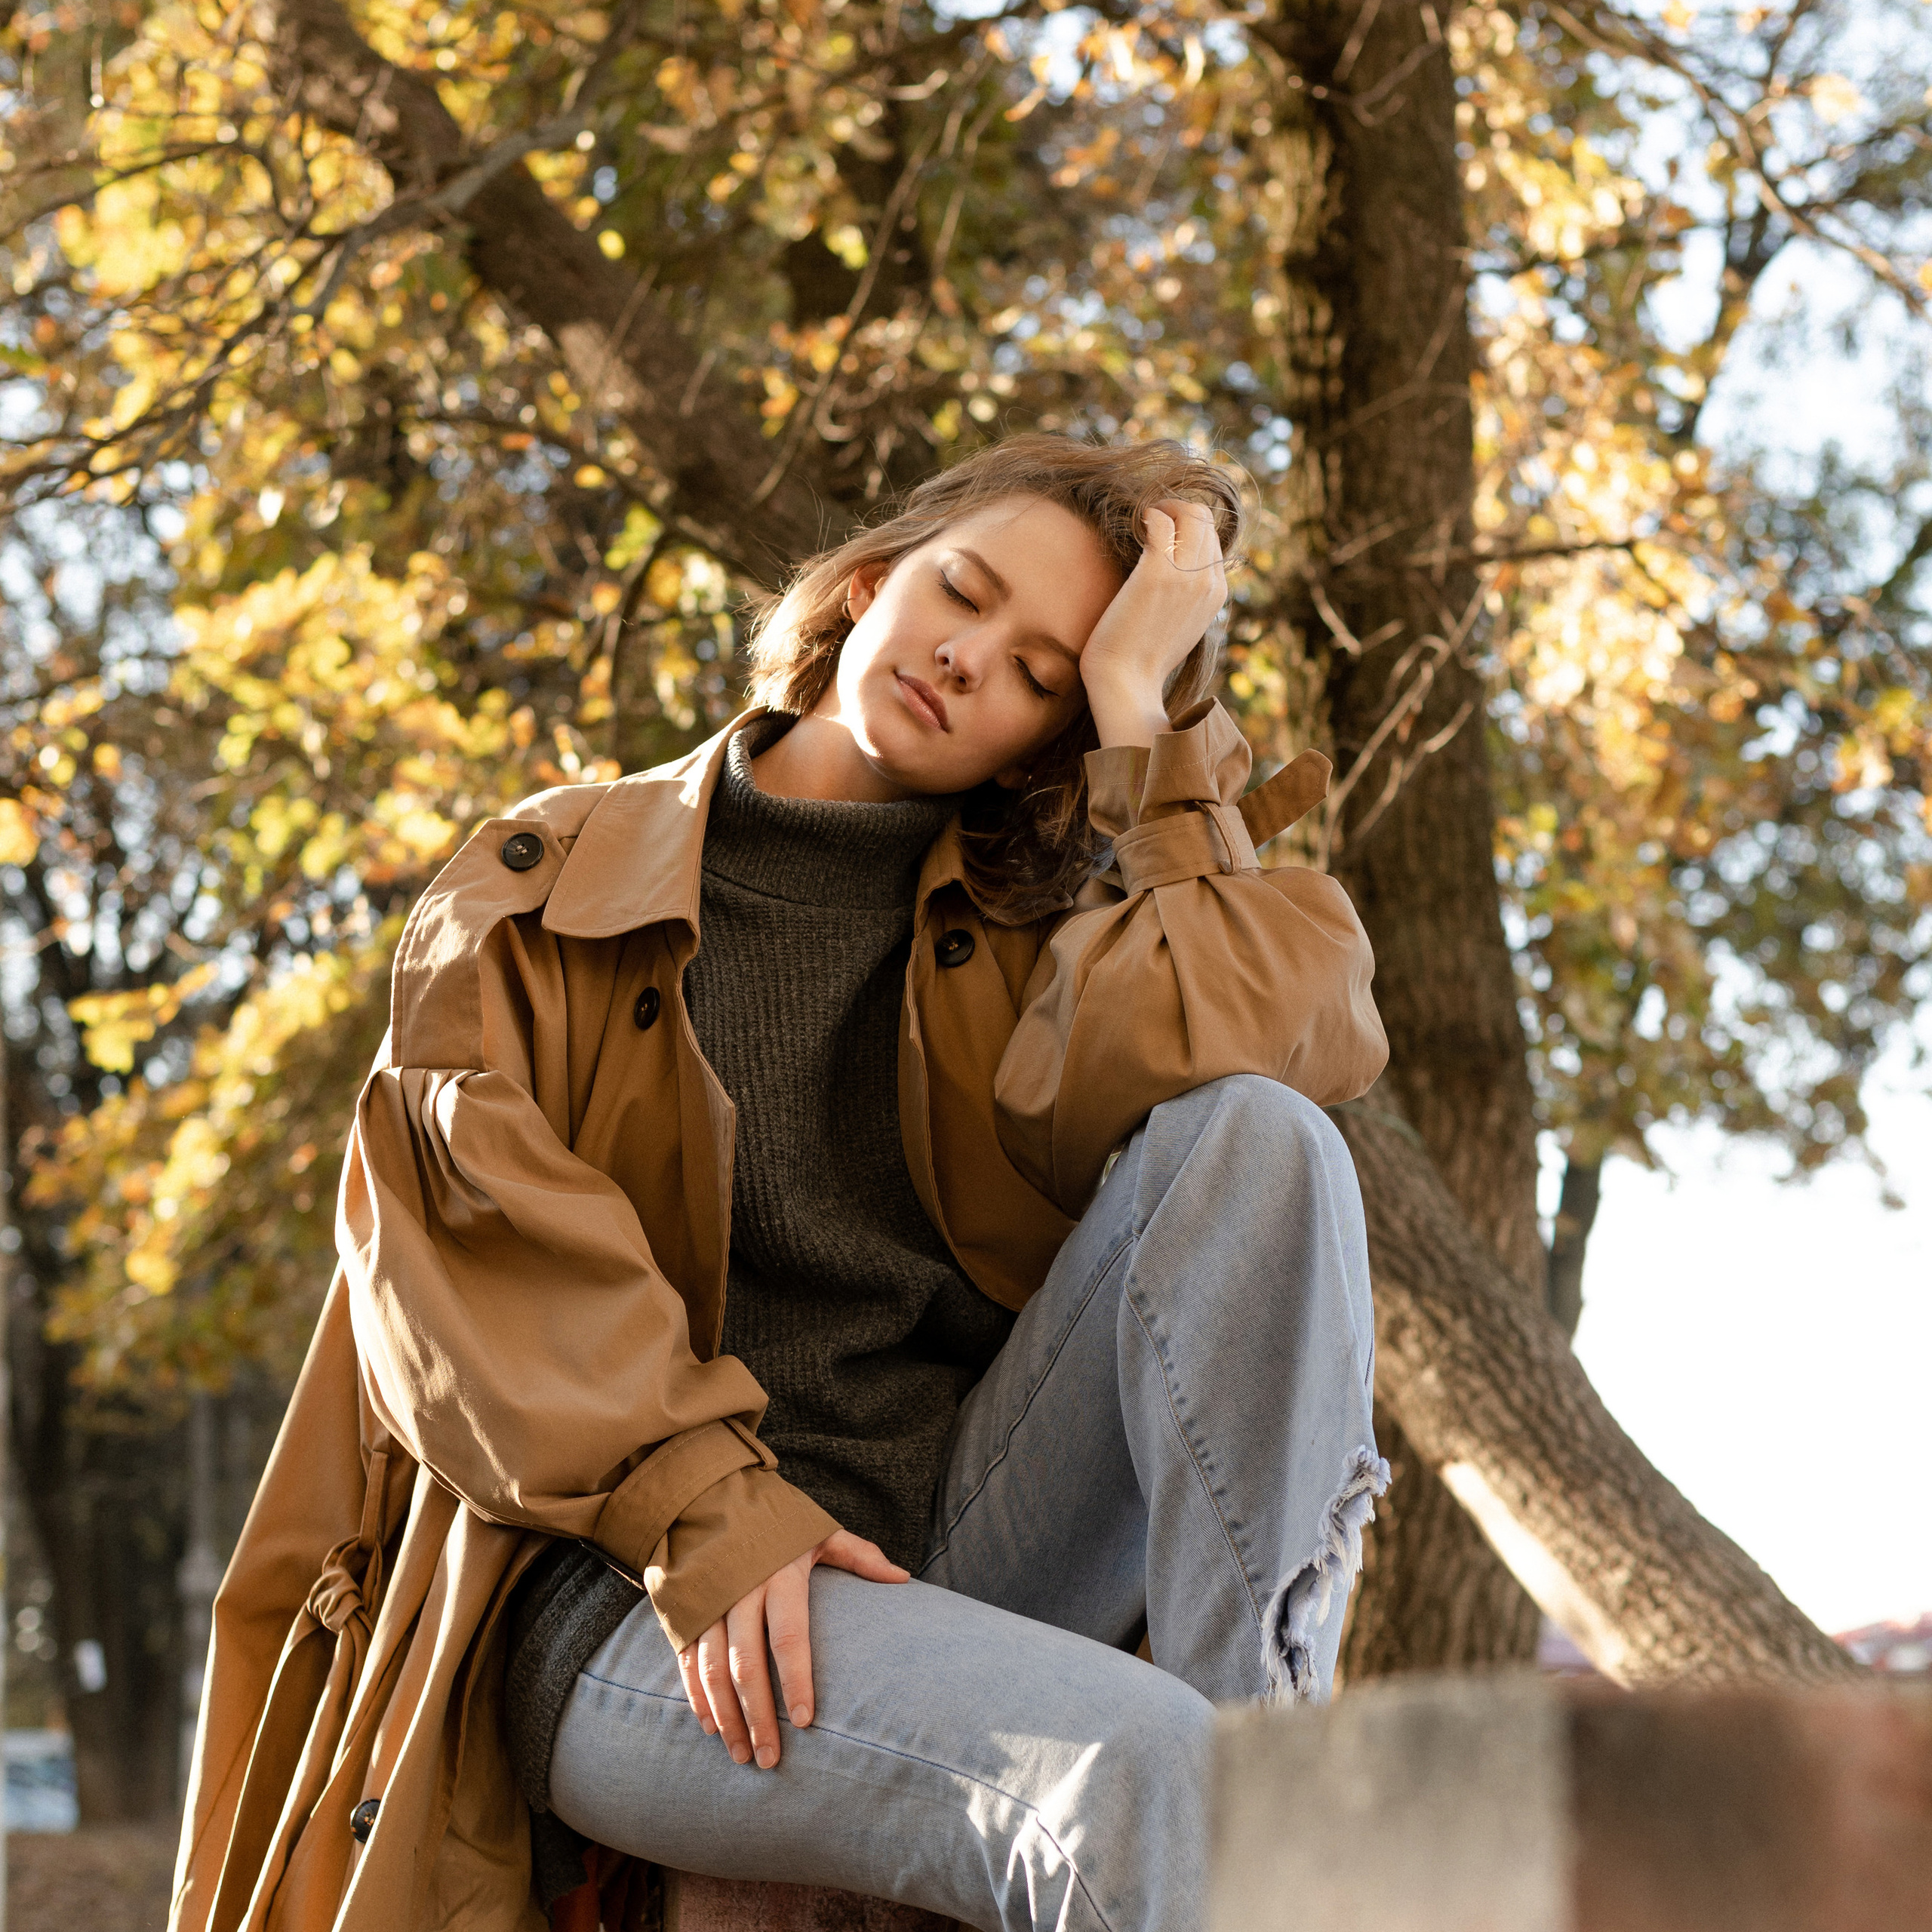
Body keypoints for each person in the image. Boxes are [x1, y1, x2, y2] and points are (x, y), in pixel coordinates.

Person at [170, 435, 1389, 1932]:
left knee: (1258, 1141)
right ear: (868, 581)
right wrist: (712, 1513)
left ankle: (1269, 1762)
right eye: (959, 590)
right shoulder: (548, 888)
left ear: (1039, 740)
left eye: (1034, 670)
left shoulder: (1039, 947)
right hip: (635, 1597)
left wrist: (1157, 711)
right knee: (1140, 1775)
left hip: (951, 1547)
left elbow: (1285, 1039)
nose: (963, 656)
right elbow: (458, 1277)